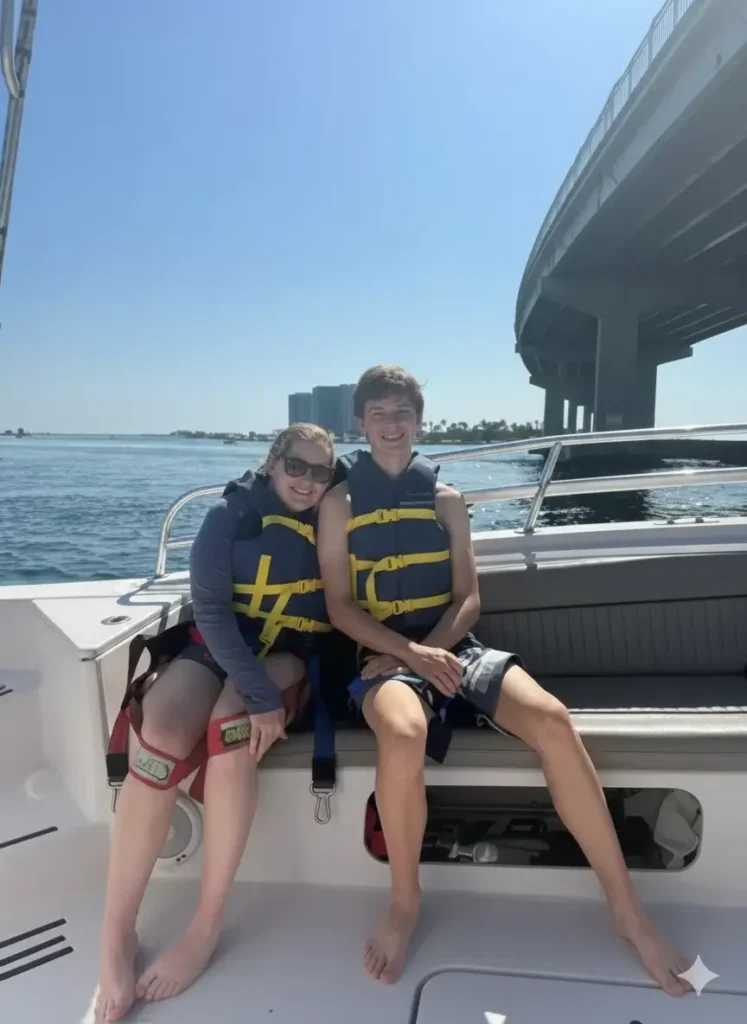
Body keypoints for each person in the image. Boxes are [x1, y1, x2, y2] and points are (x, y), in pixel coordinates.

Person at [317, 364, 692, 995]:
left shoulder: (446, 500)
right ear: (360, 422)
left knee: (552, 719)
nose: (390, 424)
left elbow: (468, 599)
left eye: (402, 412)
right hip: (382, 656)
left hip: (452, 645)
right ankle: (405, 905)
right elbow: (339, 606)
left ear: (419, 421)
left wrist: (433, 651)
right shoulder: (339, 503)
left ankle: (626, 910)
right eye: (378, 412)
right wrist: (409, 655)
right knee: (403, 734)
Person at [95, 424, 337, 1023]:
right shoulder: (228, 517)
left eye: (320, 472)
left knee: (233, 732)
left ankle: (204, 926)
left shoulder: (334, 511)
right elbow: (210, 611)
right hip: (219, 644)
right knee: (157, 740)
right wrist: (253, 688)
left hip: (288, 651)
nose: (307, 481)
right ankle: (116, 933)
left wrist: (254, 695)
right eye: (296, 467)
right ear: (274, 463)